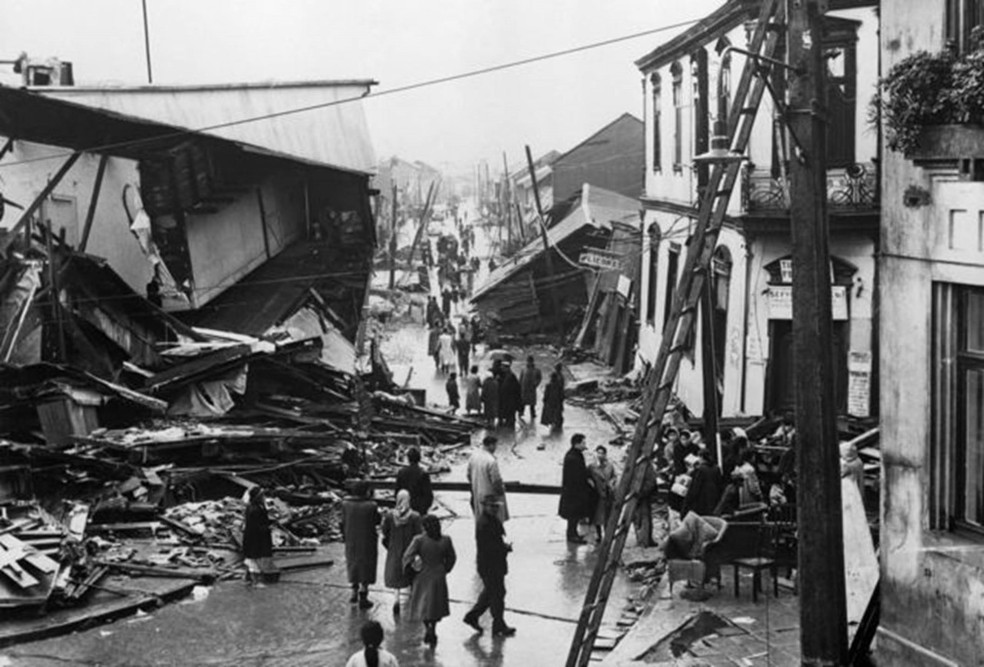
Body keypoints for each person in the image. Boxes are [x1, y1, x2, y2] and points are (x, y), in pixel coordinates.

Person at [463, 494, 516, 637]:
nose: (495, 509)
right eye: (492, 506)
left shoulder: (490, 520)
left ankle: (473, 616)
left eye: (496, 506)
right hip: (490, 565)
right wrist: (504, 548)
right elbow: (490, 547)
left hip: (493, 564)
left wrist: (503, 547)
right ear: (485, 506)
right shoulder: (485, 524)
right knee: (497, 594)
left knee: (491, 592)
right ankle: (499, 624)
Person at [403, 514, 457, 648]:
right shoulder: (446, 540)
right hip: (439, 575)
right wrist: (445, 569)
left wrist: (411, 569)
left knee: (424, 605)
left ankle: (428, 628)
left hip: (423, 575)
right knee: (436, 605)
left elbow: (407, 556)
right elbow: (452, 557)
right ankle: (434, 627)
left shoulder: (419, 540)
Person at [381, 490, 422, 616]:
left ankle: (396, 599)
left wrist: (389, 545)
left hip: (394, 548)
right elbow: (419, 534)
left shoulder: (389, 516)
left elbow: (384, 532)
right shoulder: (415, 516)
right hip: (410, 549)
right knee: (411, 575)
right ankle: (414, 600)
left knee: (396, 576)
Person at [342, 480, 380, 609]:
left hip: (351, 539)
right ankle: (364, 593)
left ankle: (353, 591)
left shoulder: (345, 504)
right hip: (367, 539)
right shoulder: (371, 505)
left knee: (353, 563)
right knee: (366, 565)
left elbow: (342, 522)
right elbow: (377, 521)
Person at [559, 433, 593, 543]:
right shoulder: (573, 458)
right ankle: (572, 536)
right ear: (576, 444)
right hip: (574, 493)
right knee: (573, 516)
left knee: (574, 516)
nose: (585, 445)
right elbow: (578, 476)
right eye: (583, 443)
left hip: (574, 492)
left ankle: (573, 534)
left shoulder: (575, 455)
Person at [467, 435, 509, 522]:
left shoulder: (473, 457)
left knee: (480, 522)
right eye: (495, 446)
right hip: (490, 499)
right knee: (493, 524)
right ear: (491, 445)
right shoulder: (491, 461)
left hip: (476, 494)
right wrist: (501, 491)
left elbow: (468, 475)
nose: (495, 448)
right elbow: (496, 482)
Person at [241, 486, 272, 585]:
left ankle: (248, 579)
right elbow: (255, 526)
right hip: (255, 538)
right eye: (261, 496)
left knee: (253, 558)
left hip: (255, 537)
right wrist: (266, 527)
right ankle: (256, 582)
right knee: (254, 559)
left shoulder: (256, 507)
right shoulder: (254, 509)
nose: (263, 498)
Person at [682, 449, 724, 517]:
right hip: (714, 496)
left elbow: (695, 487)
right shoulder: (716, 468)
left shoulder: (701, 469)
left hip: (703, 498)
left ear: (701, 457)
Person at [587, 446, 617, 543]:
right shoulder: (592, 466)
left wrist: (612, 483)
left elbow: (614, 476)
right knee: (597, 517)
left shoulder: (610, 466)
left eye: (602, 453)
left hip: (608, 494)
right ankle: (599, 535)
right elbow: (587, 477)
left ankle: (607, 535)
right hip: (597, 494)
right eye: (598, 453)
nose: (600, 455)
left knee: (607, 516)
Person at [395, 447, 434, 515]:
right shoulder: (423, 473)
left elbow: (397, 492)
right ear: (419, 458)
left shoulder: (401, 472)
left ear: (408, 458)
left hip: (405, 508)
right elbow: (428, 495)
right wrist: (424, 509)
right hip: (419, 509)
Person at [633, 459, 659, 548]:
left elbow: (651, 481)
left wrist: (641, 493)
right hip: (639, 495)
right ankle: (643, 540)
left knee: (643, 518)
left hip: (642, 495)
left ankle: (644, 540)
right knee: (641, 518)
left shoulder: (645, 465)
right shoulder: (643, 464)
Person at [497, 362, 522, 430]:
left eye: (503, 367)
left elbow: (516, 388)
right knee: (504, 412)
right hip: (503, 398)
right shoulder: (502, 375)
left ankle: (510, 429)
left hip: (510, 399)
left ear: (507, 368)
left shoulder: (512, 376)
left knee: (510, 414)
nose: (502, 369)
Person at [518, 356, 543, 422]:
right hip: (524, 388)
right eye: (528, 361)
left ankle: (533, 413)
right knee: (523, 401)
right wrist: (519, 386)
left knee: (532, 403)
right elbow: (520, 378)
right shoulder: (523, 369)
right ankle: (521, 412)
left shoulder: (536, 370)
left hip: (532, 388)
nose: (529, 362)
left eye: (530, 361)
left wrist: (536, 384)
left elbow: (539, 378)